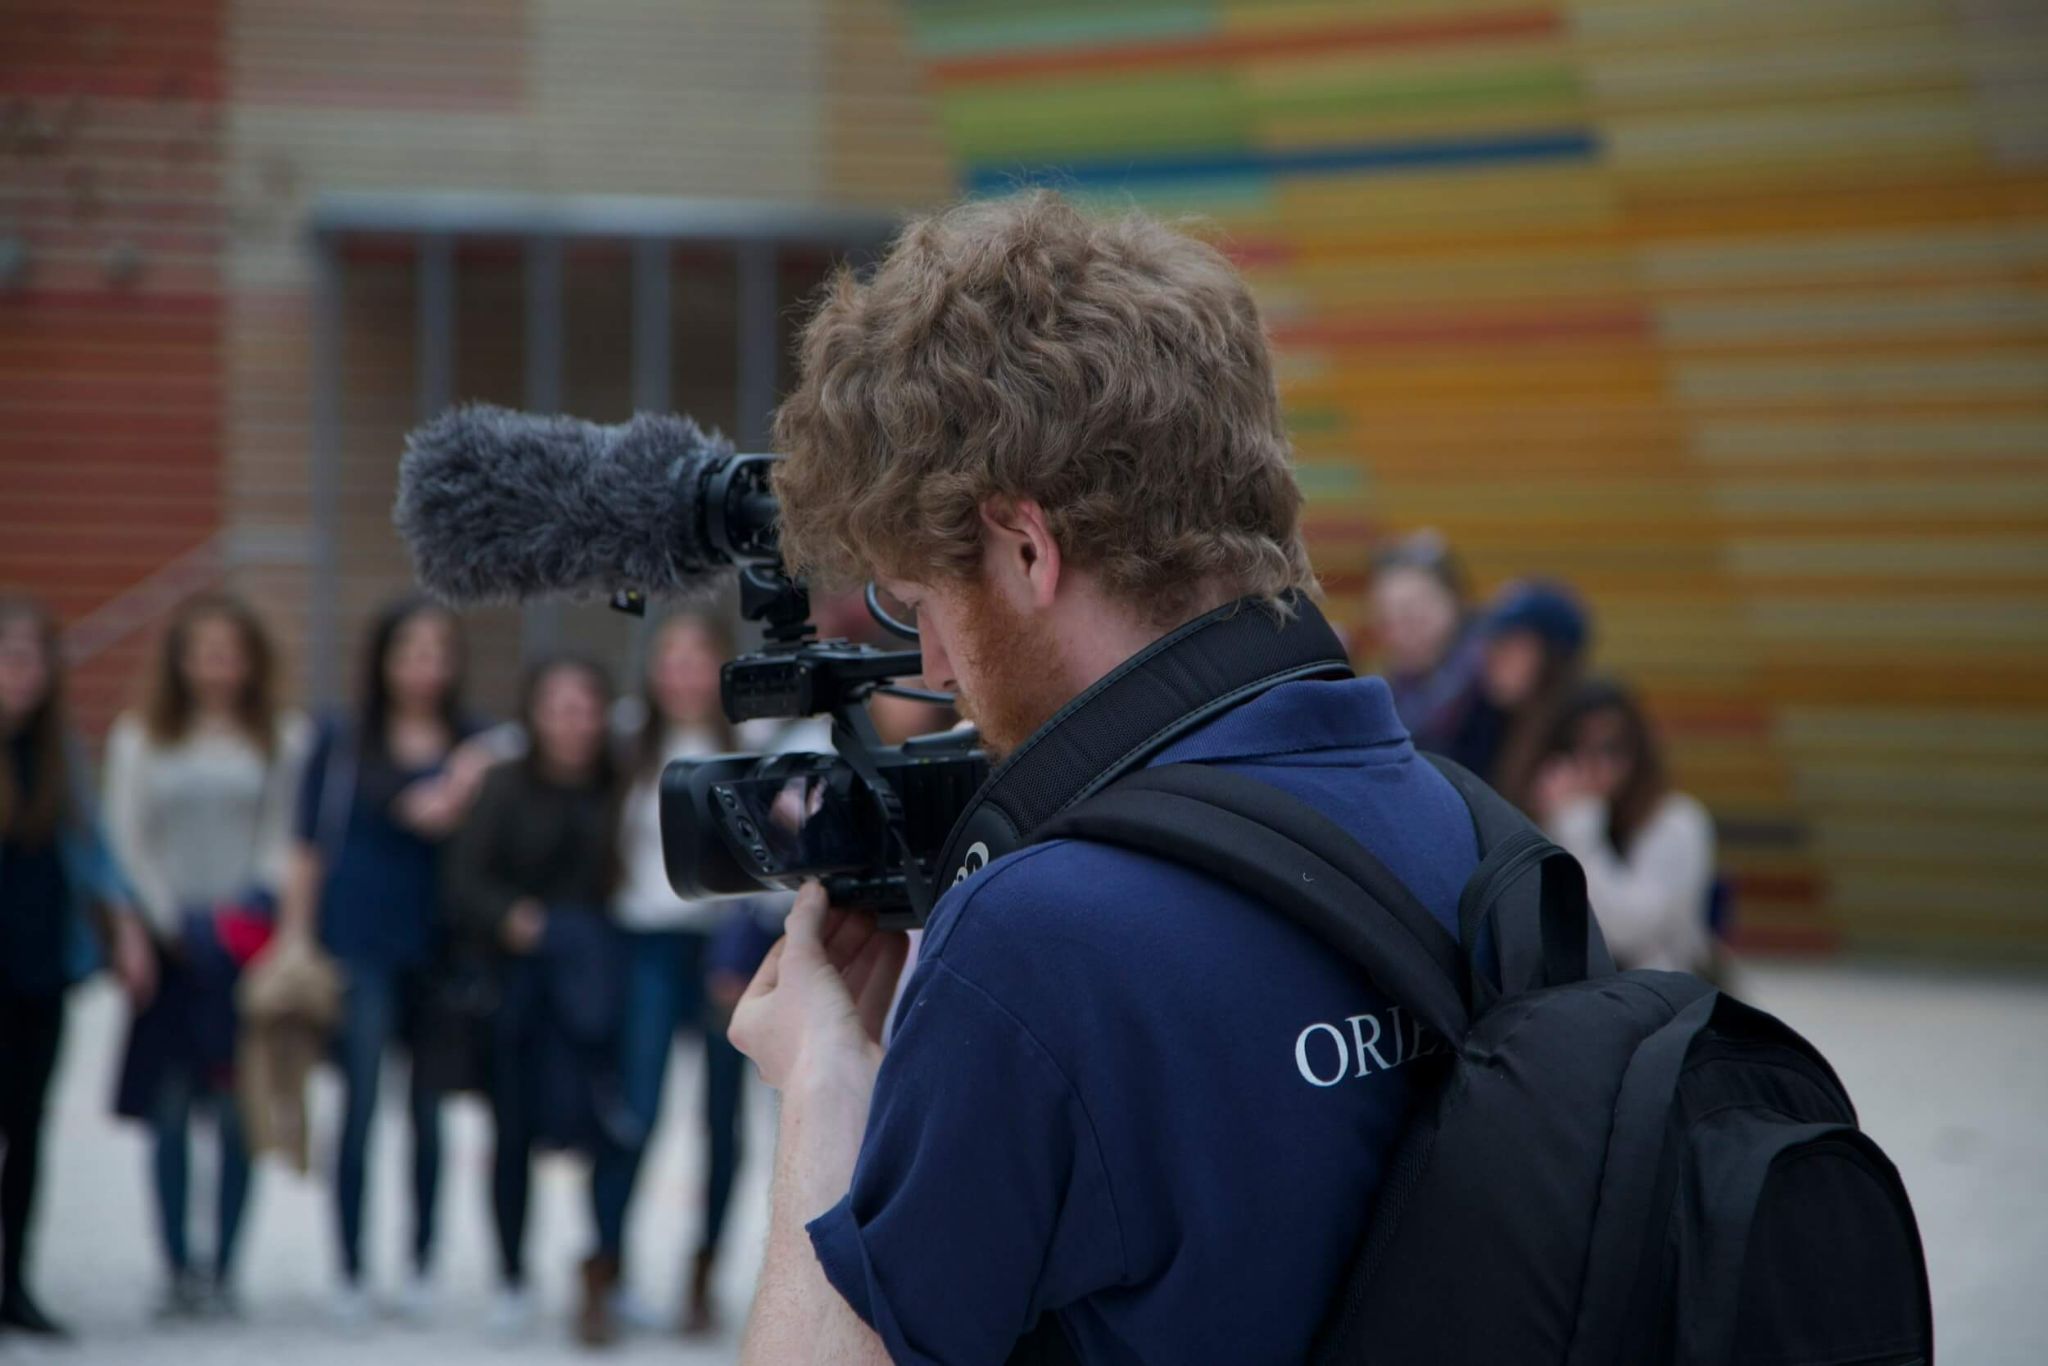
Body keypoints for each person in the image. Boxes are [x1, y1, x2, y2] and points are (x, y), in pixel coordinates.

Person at [726, 192, 1482, 1364]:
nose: (925, 662)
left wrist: (826, 1080)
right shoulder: (1458, 822)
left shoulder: (1037, 939)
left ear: (1027, 548)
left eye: (922, 602)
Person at [276, 597, 490, 1325]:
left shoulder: (474, 738)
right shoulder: (339, 739)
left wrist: (463, 777)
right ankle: (349, 1266)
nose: (425, 664)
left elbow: (531, 744)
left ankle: (423, 1262)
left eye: (438, 650)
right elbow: (305, 848)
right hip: (357, 943)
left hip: (441, 948)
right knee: (360, 1108)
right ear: (383, 658)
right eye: (411, 649)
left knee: (429, 1115)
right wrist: (295, 935)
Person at [103, 591, 308, 1319]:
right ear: (180, 659)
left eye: (230, 650)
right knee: (167, 1109)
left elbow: (285, 836)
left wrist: (243, 913)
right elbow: (126, 840)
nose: (217, 665)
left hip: (240, 947)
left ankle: (223, 1266)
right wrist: (164, 921)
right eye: (204, 650)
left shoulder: (282, 738)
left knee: (232, 1110)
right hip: (168, 949)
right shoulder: (139, 738)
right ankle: (176, 1266)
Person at [445, 655, 623, 1338]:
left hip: (595, 984)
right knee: (512, 1131)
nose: (574, 722)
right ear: (534, 715)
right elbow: (463, 880)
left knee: (602, 1126)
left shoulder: (620, 782)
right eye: (559, 706)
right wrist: (509, 917)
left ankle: (607, 1268)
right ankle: (512, 1274)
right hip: (517, 986)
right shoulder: (503, 787)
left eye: (586, 706)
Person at [584, 612, 749, 1344]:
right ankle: (604, 1268)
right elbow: (525, 738)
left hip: (723, 948)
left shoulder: (753, 746)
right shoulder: (625, 743)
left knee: (723, 1119)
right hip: (645, 944)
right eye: (669, 659)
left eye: (696, 658)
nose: (681, 673)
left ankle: (703, 1275)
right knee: (635, 1109)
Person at [0, 594, 154, 1339]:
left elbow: (91, 848)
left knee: (27, 1130)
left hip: (40, 965)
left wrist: (124, 925)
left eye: (32, 658)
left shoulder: (58, 750)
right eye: (9, 657)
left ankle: (16, 1280)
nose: (20, 674)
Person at [1533, 679, 1717, 975]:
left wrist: (1576, 822)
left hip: (1661, 999)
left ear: (1637, 751)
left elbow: (1627, 933)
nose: (1594, 765)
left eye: (1610, 748)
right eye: (1576, 748)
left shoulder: (1677, 821)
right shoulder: (1554, 818)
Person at [1367, 531, 1491, 771]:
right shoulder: (1393, 689)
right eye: (1387, 621)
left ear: (1454, 603)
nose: (1401, 634)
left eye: (1414, 617)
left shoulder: (1490, 684)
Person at [1474, 579, 1590, 812]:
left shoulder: (1583, 735)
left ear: (1553, 657)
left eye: (1512, 644)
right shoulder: (1487, 724)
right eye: (1493, 642)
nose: (1494, 657)